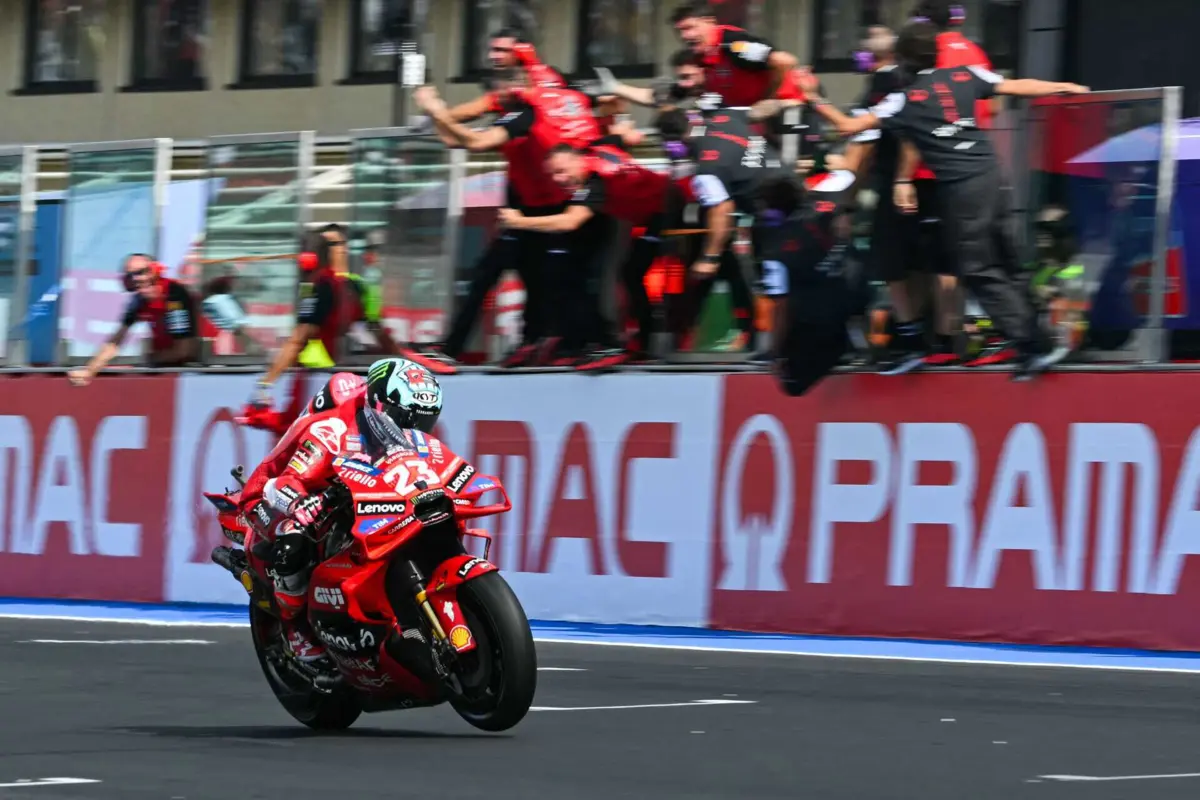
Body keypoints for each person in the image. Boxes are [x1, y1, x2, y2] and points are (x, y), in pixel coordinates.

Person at [800, 21, 1089, 380]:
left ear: (904, 59)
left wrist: (812, 97)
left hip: (962, 189)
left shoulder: (903, 99)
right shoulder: (965, 74)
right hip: (993, 176)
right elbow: (1017, 86)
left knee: (978, 268)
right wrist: (1064, 87)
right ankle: (1040, 337)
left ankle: (1033, 347)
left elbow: (847, 127)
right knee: (1008, 259)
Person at [238, 357, 446, 662]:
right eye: (405, 418)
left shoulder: (398, 433)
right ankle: (295, 629)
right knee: (294, 534)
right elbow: (285, 481)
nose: (413, 429)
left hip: (336, 486)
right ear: (379, 404)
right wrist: (299, 503)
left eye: (425, 421)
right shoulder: (334, 430)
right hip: (274, 492)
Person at [415, 78, 618, 367]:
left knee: (558, 278)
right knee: (496, 275)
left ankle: (580, 342)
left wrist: (436, 109)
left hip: (544, 213)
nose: (493, 97)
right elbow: (453, 138)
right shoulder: (513, 115)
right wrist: (435, 112)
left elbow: (474, 140)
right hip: (525, 212)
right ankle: (464, 347)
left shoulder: (528, 114)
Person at [498, 142, 682, 366]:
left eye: (561, 171)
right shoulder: (595, 156)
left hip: (668, 209)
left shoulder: (596, 181)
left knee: (629, 274)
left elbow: (570, 221)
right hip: (655, 210)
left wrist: (519, 222)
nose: (557, 179)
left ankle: (630, 344)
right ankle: (637, 342)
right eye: (552, 174)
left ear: (578, 160)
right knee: (629, 273)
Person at [657, 105, 786, 352]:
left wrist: (710, 257)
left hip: (769, 220)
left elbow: (721, 208)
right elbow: (762, 109)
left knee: (768, 284)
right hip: (784, 197)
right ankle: (763, 344)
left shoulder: (707, 168)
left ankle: (771, 346)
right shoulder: (723, 117)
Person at [756, 171, 865, 396]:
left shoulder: (775, 250)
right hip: (850, 308)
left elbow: (781, 306)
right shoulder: (826, 221)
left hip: (814, 329)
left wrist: (775, 352)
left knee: (791, 385)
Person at [240, 226, 354, 436]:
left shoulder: (321, 284)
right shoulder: (340, 284)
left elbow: (299, 338)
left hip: (320, 379)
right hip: (334, 380)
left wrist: (265, 385)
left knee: (300, 437)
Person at [68, 253, 199, 386]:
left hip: (187, 374)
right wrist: (89, 371)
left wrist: (152, 359)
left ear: (155, 271)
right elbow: (115, 342)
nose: (136, 279)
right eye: (130, 275)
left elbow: (184, 350)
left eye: (141, 272)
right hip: (161, 370)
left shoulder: (174, 295)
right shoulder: (138, 301)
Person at [670, 0, 799, 108]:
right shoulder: (702, 52)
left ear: (710, 22)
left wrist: (768, 99)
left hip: (783, 112)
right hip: (739, 117)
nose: (684, 36)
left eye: (689, 28)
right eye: (680, 31)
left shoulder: (733, 44)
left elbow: (784, 61)